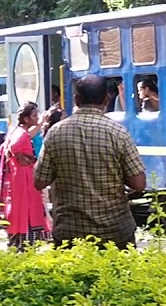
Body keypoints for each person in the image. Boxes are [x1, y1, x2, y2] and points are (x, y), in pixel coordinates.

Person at [34, 74, 147, 248]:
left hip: (70, 232)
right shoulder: (118, 133)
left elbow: (39, 181)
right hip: (114, 231)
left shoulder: (55, 133)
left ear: (76, 99)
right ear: (107, 99)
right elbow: (138, 183)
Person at [3, 103, 51, 248]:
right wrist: (21, 157)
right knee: (27, 206)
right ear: (26, 119)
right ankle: (25, 239)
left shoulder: (18, 131)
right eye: (34, 115)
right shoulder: (21, 133)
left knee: (24, 206)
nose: (37, 118)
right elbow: (14, 147)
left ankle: (22, 238)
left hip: (21, 174)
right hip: (24, 176)